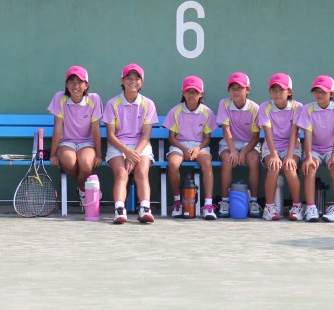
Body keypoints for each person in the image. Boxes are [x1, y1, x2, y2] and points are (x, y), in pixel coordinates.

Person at [104, 63, 158, 224]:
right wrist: (126, 152)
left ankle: (145, 208)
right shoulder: (112, 104)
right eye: (129, 78)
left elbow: (146, 135)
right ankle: (119, 210)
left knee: (142, 172)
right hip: (117, 146)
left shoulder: (148, 104)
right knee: (121, 174)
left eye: (137, 78)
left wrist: (133, 154)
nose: (132, 81)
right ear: (122, 80)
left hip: (140, 146)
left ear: (141, 82)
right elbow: (111, 136)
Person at [47, 65, 104, 215]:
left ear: (86, 85)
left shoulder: (94, 99)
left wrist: (98, 154)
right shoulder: (59, 97)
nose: (76, 86)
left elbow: (96, 128)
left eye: (80, 82)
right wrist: (53, 154)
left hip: (87, 143)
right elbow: (58, 128)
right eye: (71, 81)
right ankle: (87, 191)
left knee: (85, 164)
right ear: (66, 84)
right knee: (70, 161)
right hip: (66, 143)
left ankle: (82, 190)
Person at [297, 75, 334, 222]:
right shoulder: (308, 109)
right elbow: (307, 135)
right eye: (316, 91)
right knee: (310, 168)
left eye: (323, 92)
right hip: (313, 149)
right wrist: (308, 157)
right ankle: (311, 208)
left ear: (331, 94)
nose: (319, 95)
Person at [164, 75, 218, 220]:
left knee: (207, 163)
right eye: (189, 91)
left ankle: (208, 205)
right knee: (173, 163)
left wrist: (197, 149)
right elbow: (172, 138)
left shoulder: (207, 112)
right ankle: (178, 202)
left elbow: (207, 139)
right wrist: (183, 149)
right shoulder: (176, 111)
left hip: (199, 147)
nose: (192, 95)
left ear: (202, 94)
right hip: (179, 145)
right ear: (183, 93)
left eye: (195, 92)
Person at [256, 73, 304, 221]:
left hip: (292, 146)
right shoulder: (264, 107)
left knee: (290, 167)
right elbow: (268, 135)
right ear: (269, 91)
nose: (277, 93)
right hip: (271, 147)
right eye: (274, 90)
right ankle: (269, 207)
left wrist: (289, 156)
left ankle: (297, 206)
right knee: (274, 166)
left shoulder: (298, 107)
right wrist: (275, 156)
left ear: (289, 91)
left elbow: (294, 134)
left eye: (281, 90)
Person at [216, 72, 262, 218]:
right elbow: (226, 129)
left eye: (239, 88)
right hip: (229, 144)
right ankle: (225, 201)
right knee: (227, 160)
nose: (235, 91)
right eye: (232, 88)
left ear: (247, 90)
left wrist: (243, 153)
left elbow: (255, 137)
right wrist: (234, 151)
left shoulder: (255, 108)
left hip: (250, 145)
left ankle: (254, 201)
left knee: (254, 159)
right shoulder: (224, 104)